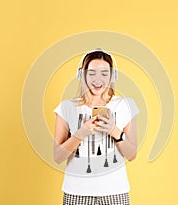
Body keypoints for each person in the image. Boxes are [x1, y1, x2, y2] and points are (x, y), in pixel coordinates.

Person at [53, 49, 139, 205]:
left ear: (112, 76)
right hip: (76, 193)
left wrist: (114, 131)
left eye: (104, 74)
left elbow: (132, 155)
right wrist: (80, 134)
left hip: (115, 192)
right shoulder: (66, 107)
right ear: (82, 75)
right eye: (92, 73)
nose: (97, 79)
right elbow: (58, 157)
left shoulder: (126, 105)